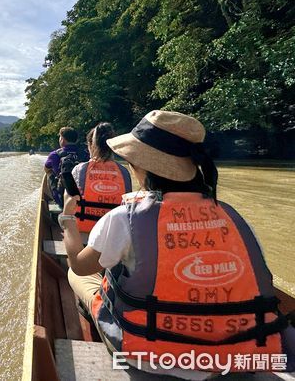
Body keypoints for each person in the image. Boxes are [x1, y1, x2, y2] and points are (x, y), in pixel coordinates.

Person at [57, 110, 294, 378]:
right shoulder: (235, 217)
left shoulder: (125, 218)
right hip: (238, 357)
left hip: (155, 357)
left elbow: (79, 264)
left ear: (141, 165)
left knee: (75, 275)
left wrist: (67, 219)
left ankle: (94, 322)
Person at [71, 122, 132, 233]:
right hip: (113, 234)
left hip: (84, 232)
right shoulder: (124, 172)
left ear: (90, 145)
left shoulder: (79, 170)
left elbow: (69, 203)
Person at [44, 127, 87, 207]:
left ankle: (54, 198)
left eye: (60, 137)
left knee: (48, 172)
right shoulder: (85, 153)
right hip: (84, 197)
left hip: (63, 199)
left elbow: (46, 168)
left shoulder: (54, 154)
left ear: (62, 139)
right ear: (76, 140)